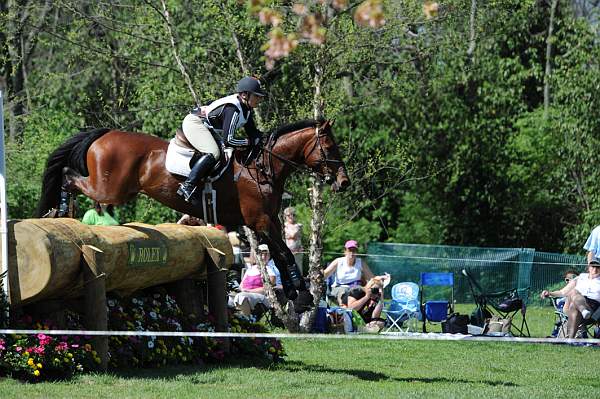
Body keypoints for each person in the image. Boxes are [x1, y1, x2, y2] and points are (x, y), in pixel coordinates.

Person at [174, 76, 266, 202]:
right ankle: (188, 185)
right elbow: (229, 140)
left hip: (208, 128)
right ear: (245, 95)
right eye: (257, 96)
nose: (259, 99)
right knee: (214, 153)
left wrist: (266, 139)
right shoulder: (233, 109)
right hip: (195, 123)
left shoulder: (247, 109)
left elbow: (253, 132)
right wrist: (248, 142)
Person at [541, 262, 600, 338]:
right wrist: (549, 293)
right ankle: (582, 311)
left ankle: (570, 338)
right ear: (588, 268)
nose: (595, 269)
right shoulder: (581, 277)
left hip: (594, 310)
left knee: (574, 300)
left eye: (598, 267)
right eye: (593, 267)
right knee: (574, 293)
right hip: (577, 309)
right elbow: (562, 292)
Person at [324, 240, 379, 305]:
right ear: (345, 251)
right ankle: (346, 312)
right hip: (339, 288)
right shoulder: (338, 261)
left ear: (357, 252)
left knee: (371, 295)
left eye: (354, 250)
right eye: (349, 250)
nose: (352, 252)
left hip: (356, 289)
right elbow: (325, 274)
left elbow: (372, 278)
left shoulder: (361, 262)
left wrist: (379, 280)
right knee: (345, 296)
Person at [234, 244, 281, 316]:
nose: (263, 257)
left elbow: (268, 288)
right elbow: (241, 285)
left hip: (261, 296)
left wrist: (249, 291)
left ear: (269, 256)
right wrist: (240, 290)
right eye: (261, 254)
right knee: (228, 298)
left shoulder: (270, 269)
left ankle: (248, 319)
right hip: (245, 294)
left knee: (241, 297)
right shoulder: (250, 269)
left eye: (266, 254)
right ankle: (238, 321)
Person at [283, 207, 304, 274]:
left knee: (299, 270)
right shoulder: (283, 226)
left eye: (293, 215)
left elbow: (293, 235)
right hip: (287, 252)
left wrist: (288, 235)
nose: (291, 217)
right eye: (289, 215)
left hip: (297, 252)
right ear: (285, 216)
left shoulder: (299, 225)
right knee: (287, 270)